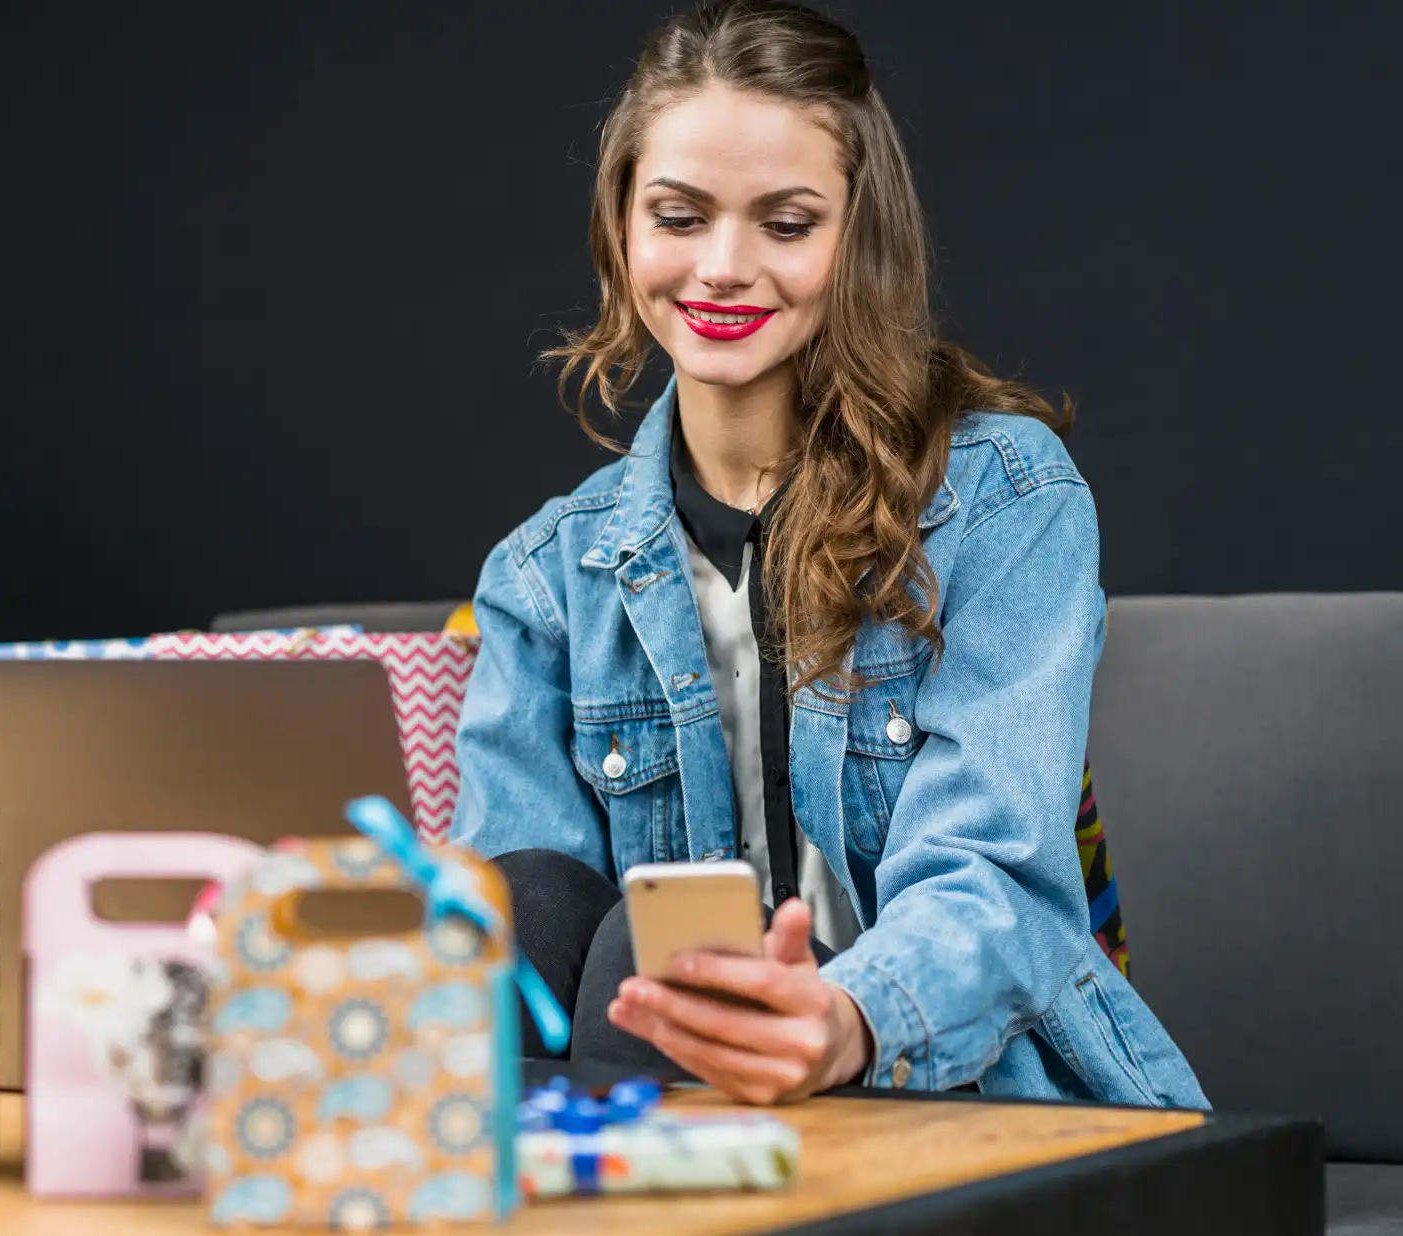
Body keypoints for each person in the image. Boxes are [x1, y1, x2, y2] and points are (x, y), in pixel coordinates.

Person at [451, 0, 1205, 1108]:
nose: (721, 266)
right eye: (678, 215)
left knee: (640, 962)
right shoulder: (541, 580)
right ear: (621, 225)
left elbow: (994, 879)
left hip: (975, 1091)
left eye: (786, 223)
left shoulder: (1002, 498)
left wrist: (847, 1018)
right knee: (543, 918)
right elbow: (525, 935)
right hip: (667, 1095)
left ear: (858, 236)